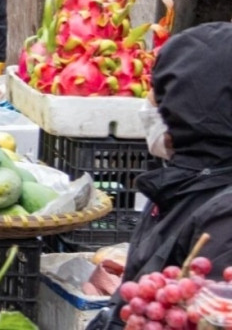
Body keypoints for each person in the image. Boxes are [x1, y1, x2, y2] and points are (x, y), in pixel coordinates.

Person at [88, 22, 232, 329]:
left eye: (158, 98)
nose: (149, 109)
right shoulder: (182, 185)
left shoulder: (223, 216)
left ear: (186, 111)